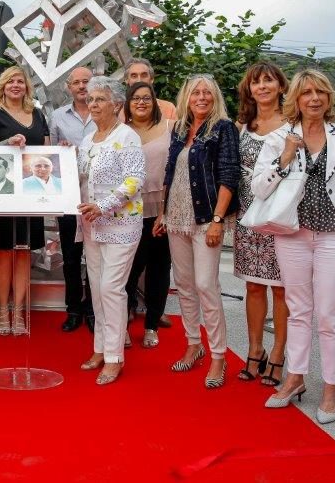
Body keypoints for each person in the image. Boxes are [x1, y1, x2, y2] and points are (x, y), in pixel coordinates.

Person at [256, 69, 335, 424]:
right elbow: (259, 188)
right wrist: (285, 157)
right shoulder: (279, 137)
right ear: (296, 98)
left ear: (329, 98)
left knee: (328, 313)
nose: (314, 99)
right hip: (293, 233)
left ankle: (331, 386)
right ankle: (295, 378)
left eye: (320, 92)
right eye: (306, 93)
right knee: (298, 309)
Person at [155, 74, 239, 390]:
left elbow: (229, 176)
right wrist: (162, 212)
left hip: (206, 216)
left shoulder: (223, 128)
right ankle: (194, 344)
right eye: (195, 92)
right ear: (186, 98)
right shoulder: (178, 129)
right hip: (175, 216)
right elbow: (169, 172)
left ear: (215, 97)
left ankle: (218, 355)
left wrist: (218, 220)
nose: (201, 97)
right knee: (185, 285)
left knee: (206, 285)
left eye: (207, 92)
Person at [77, 77, 145, 385]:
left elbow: (134, 181)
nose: (92, 104)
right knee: (96, 288)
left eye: (99, 99)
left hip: (121, 224)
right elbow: (78, 176)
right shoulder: (89, 138)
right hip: (91, 225)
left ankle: (115, 356)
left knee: (111, 289)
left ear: (116, 104)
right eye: (90, 99)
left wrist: (103, 206)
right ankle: (100, 349)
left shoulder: (127, 136)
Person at [233, 62, 289, 385]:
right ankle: (256, 350)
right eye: (256, 83)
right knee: (253, 286)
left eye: (269, 81)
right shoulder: (244, 125)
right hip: (246, 217)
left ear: (281, 86)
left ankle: (279, 354)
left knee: (282, 290)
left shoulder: (291, 125)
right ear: (249, 89)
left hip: (278, 218)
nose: (262, 87)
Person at [0, 66, 46, 335]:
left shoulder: (38, 113)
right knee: (2, 252)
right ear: (2, 85)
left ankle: (20, 312)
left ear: (26, 86)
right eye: (10, 80)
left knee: (23, 251)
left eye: (20, 81)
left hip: (32, 195)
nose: (15, 85)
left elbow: (47, 150)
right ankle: (2, 311)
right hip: (3, 194)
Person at [123, 81, 173, 349]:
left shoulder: (170, 128)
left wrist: (165, 213)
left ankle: (152, 324)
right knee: (128, 271)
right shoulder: (121, 132)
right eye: (135, 98)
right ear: (128, 104)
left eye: (146, 98)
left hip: (162, 211)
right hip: (129, 211)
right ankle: (124, 325)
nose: (141, 102)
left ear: (154, 101)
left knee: (159, 270)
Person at [49, 66, 96, 332]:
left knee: (94, 256)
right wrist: (60, 150)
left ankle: (91, 308)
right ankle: (73, 309)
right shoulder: (57, 116)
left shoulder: (105, 113)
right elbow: (51, 155)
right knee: (70, 256)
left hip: (98, 197)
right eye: (76, 82)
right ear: (68, 87)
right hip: (68, 197)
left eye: (85, 81)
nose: (81, 86)